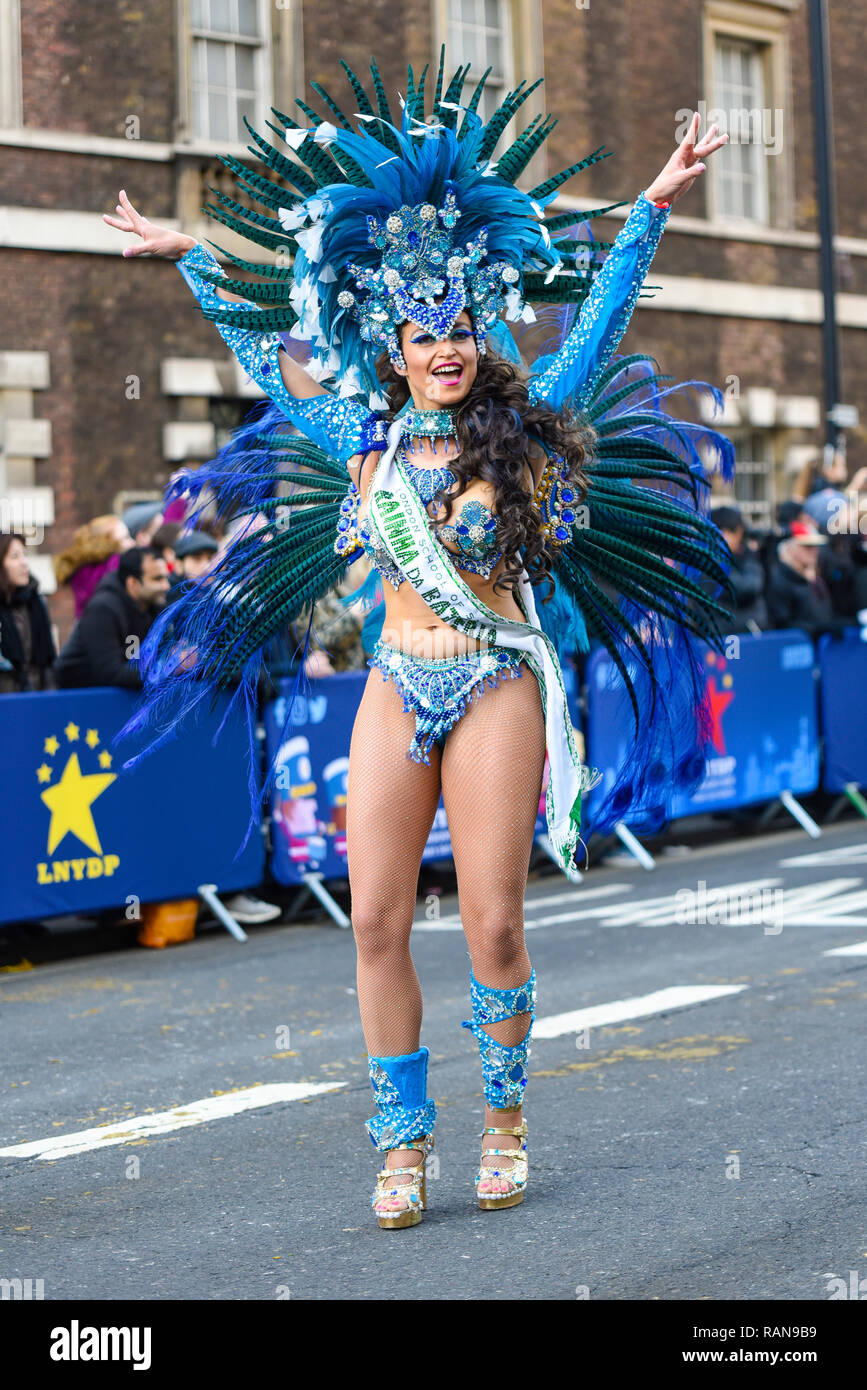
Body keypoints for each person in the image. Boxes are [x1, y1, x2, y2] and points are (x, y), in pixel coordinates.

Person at [103, 53, 733, 1227]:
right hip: (396, 678)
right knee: (378, 918)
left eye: (461, 320)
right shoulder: (362, 437)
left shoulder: (528, 419)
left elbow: (600, 317)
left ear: (479, 328)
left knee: (492, 917)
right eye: (422, 324)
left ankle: (505, 1118)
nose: (445, 341)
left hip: (492, 677)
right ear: (390, 341)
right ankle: (403, 1142)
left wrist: (651, 201)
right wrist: (187, 256)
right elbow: (263, 353)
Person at [54, 546, 170, 689]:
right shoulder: (102, 610)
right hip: (77, 698)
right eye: (157, 579)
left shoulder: (155, 608)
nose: (166, 585)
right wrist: (169, 668)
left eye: (166, 577)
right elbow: (111, 674)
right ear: (133, 583)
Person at [0, 533, 57, 693]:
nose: (24, 562)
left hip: (36, 700)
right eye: (14, 556)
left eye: (24, 555)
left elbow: (48, 663)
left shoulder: (36, 602)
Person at [53, 513, 133, 618]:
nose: (132, 542)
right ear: (108, 542)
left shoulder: (80, 566)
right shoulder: (115, 565)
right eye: (126, 538)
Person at [703, 505, 768, 633]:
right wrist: (750, 555)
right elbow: (749, 587)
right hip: (730, 642)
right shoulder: (708, 562)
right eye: (739, 534)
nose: (741, 541)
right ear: (723, 533)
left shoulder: (722, 558)